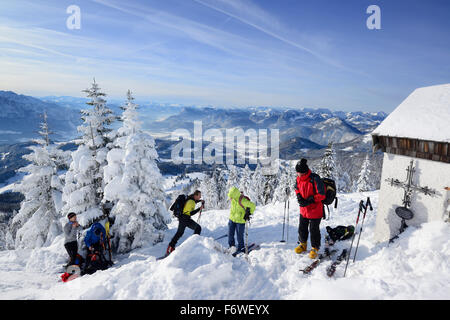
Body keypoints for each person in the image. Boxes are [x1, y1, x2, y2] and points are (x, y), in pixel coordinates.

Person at [294, 158, 326, 259]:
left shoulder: (315, 179)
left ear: (304, 172)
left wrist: (311, 200)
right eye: (297, 172)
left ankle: (315, 248)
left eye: (299, 172)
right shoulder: (298, 178)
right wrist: (299, 196)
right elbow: (296, 188)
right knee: (302, 228)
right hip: (304, 210)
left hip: (315, 210)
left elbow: (322, 195)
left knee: (314, 230)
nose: (297, 174)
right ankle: (303, 244)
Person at [166, 190, 204, 255]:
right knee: (198, 228)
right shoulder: (191, 201)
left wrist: (200, 201)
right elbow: (190, 213)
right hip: (185, 219)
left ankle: (170, 247)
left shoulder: (190, 198)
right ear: (196, 195)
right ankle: (194, 245)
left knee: (179, 233)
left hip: (182, 218)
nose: (200, 197)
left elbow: (193, 202)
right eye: (199, 196)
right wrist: (199, 209)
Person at [227, 186, 256, 255]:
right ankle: (232, 246)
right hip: (232, 219)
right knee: (230, 233)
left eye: (231, 195)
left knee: (239, 235)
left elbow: (253, 205)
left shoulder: (242, 200)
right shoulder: (233, 198)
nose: (230, 197)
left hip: (240, 221)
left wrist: (249, 213)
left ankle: (241, 247)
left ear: (234, 194)